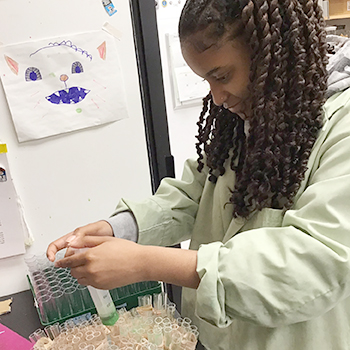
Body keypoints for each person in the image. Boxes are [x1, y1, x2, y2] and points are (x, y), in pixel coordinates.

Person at [46, 0, 350, 349]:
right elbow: (197, 193)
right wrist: (119, 228)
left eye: (221, 76)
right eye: (206, 80)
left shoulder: (341, 128)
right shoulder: (246, 121)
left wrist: (148, 263)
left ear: (272, 55)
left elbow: (314, 263)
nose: (217, 97)